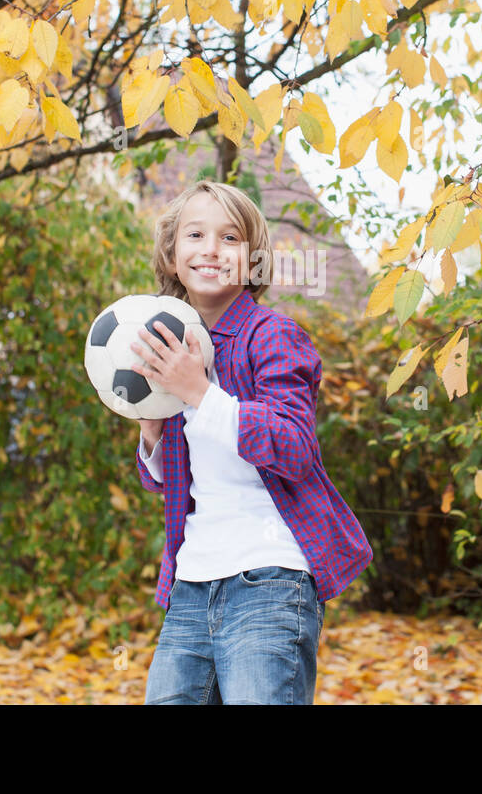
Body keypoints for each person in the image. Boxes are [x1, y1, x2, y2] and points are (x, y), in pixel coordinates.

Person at [129, 180, 372, 704]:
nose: (211, 249)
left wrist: (198, 391)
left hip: (271, 578)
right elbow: (171, 482)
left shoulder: (273, 335)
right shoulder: (170, 344)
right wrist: (150, 431)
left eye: (231, 238)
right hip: (192, 582)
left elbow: (292, 446)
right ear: (172, 256)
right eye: (195, 235)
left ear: (252, 261)